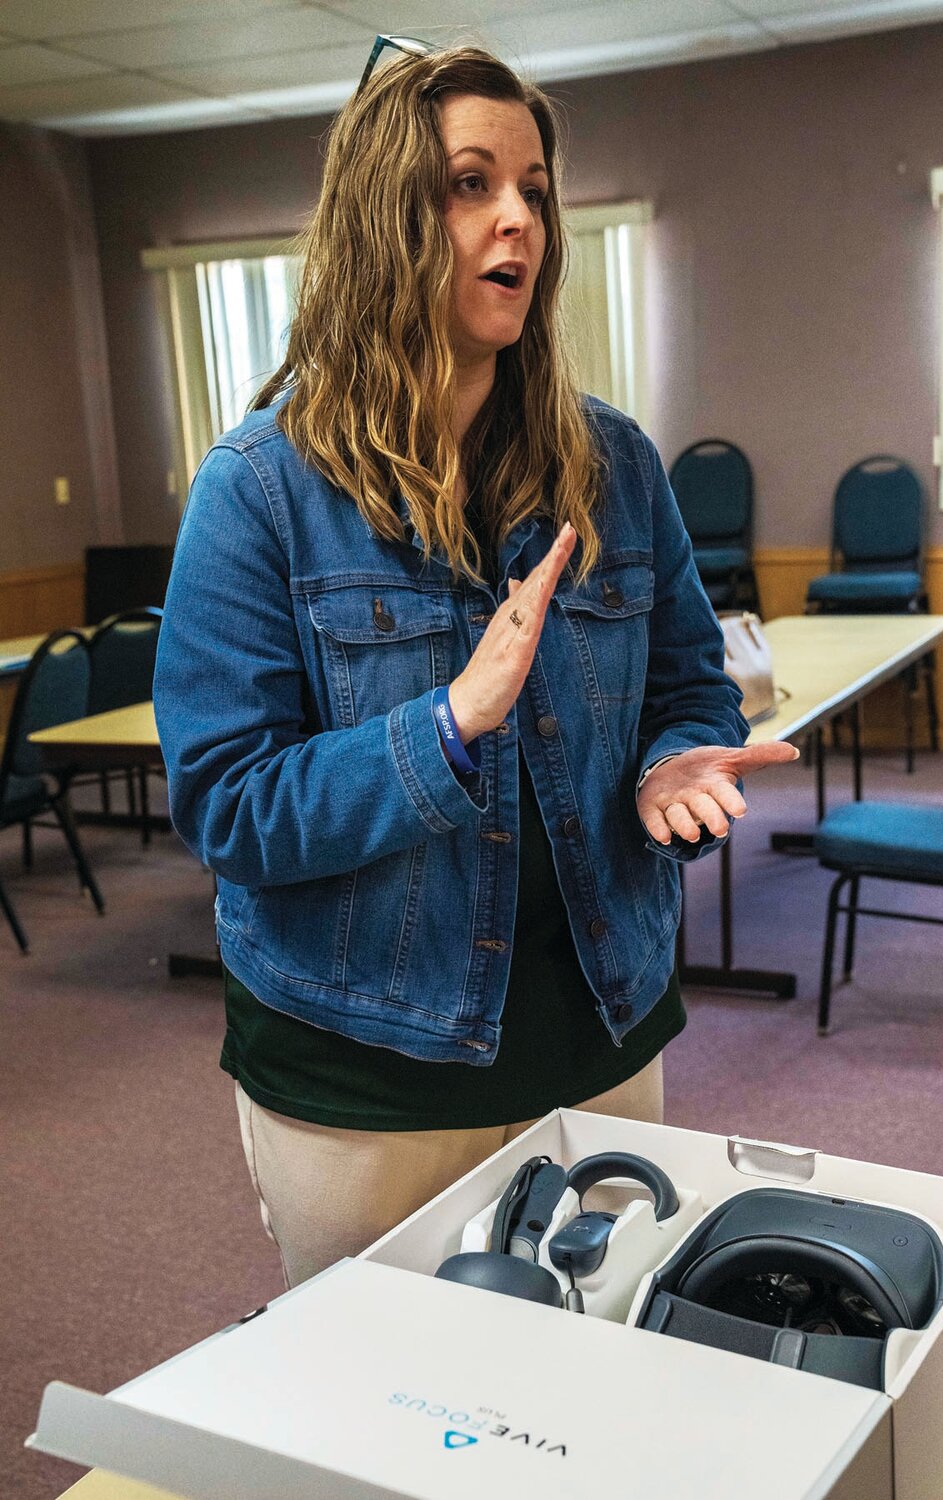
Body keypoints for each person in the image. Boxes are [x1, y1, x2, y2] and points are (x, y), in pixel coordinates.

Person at [154, 40, 796, 1289]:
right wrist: (443, 728)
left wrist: (673, 764)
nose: (518, 217)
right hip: (365, 1067)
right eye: (468, 183)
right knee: (391, 1442)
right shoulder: (259, 493)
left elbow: (685, 687)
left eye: (535, 188)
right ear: (382, 221)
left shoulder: (612, 466)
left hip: (600, 1031)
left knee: (599, 1399)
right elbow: (227, 805)